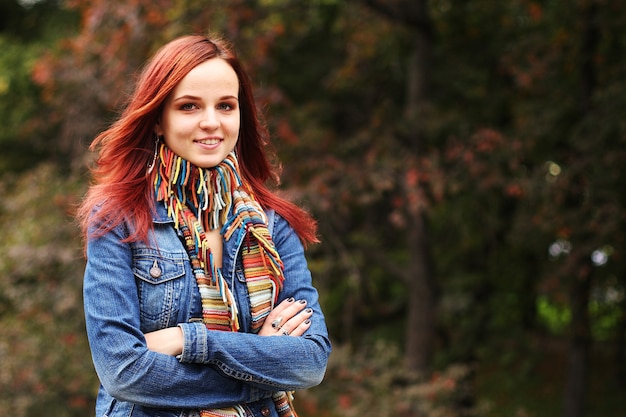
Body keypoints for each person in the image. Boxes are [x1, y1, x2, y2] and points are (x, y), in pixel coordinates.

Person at [77, 34, 331, 417]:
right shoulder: (118, 219)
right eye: (189, 106)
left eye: (226, 106)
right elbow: (123, 372)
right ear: (158, 120)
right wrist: (260, 366)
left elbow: (310, 361)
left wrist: (189, 340)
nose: (211, 122)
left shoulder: (274, 224)